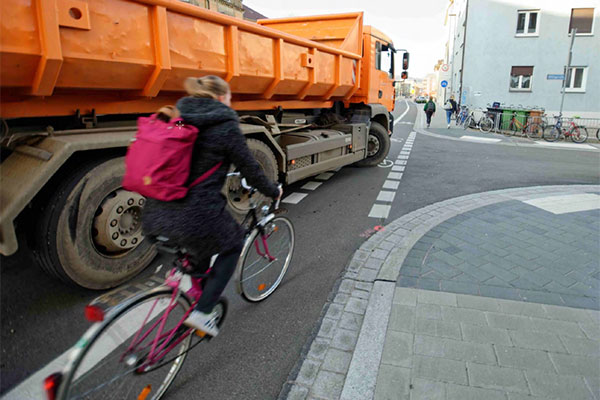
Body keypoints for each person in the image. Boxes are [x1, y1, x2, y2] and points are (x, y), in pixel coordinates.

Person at [142, 75, 282, 336]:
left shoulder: (176, 116)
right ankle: (203, 311)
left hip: (154, 214)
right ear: (220, 98)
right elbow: (251, 169)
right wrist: (273, 190)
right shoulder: (225, 125)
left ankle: (193, 290)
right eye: (230, 98)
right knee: (233, 243)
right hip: (193, 217)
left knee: (201, 247)